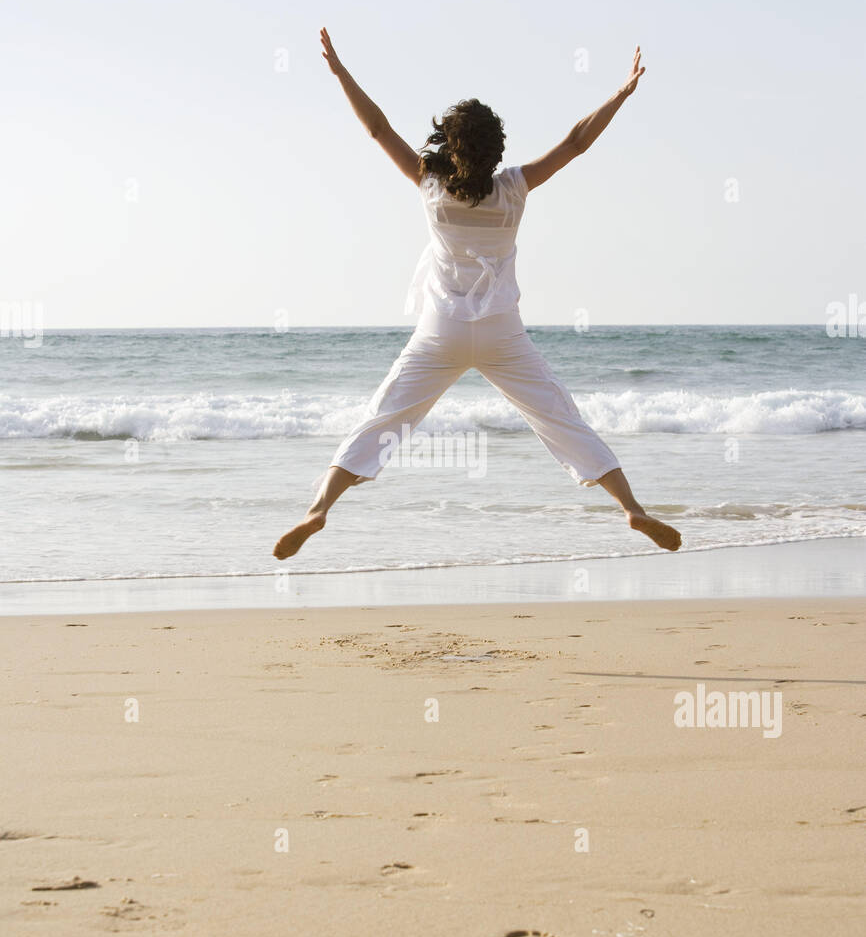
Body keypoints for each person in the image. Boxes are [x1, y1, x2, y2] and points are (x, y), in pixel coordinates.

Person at [273, 28, 681, 560]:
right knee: (561, 417)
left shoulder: (431, 185)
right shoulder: (514, 186)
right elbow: (578, 142)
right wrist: (622, 94)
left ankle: (319, 509)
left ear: (448, 142)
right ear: (496, 149)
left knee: (383, 416)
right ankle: (631, 508)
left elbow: (377, 128)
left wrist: (341, 72)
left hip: (440, 332)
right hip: (500, 333)